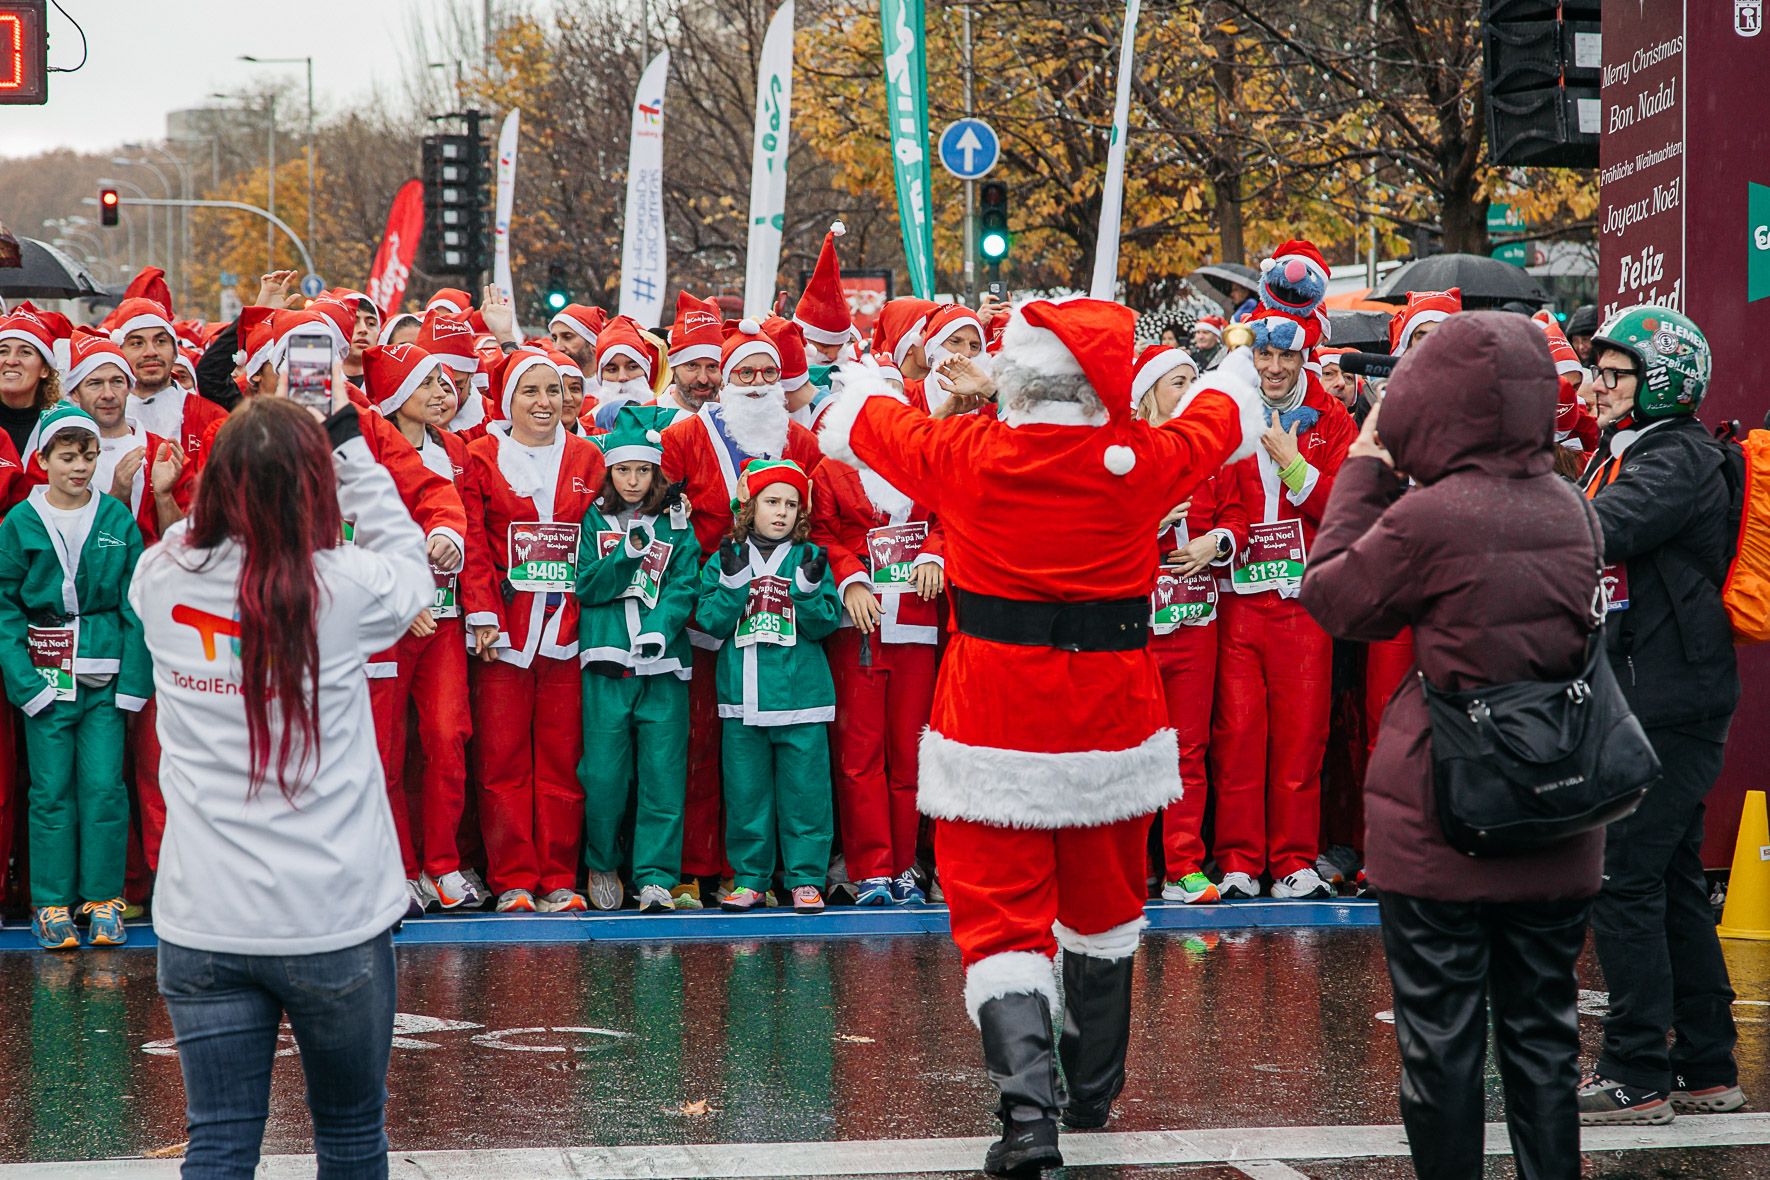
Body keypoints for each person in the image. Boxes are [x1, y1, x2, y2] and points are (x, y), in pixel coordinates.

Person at [818, 295, 1262, 1175]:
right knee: (1103, 911)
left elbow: (853, 415)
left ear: (1016, 379)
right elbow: (1228, 410)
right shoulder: (1141, 460)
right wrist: (1231, 352)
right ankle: (1093, 1089)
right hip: (1112, 717)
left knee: (999, 921)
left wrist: (976, 400)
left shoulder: (966, 452)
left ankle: (1030, 1120)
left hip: (992, 717)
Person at [1300, 310, 1606, 1180]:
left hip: (1442, 815)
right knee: (1543, 1039)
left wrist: (1366, 465)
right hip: (1557, 809)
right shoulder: (1574, 510)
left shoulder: (1431, 518)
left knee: (1442, 1047)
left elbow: (1335, 597)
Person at [131, 391, 430, 1179]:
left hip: (203, 919)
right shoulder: (344, 587)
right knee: (351, 1135)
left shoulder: (160, 576)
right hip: (331, 917)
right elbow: (413, 572)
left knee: (220, 1143)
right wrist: (353, 452)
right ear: (315, 487)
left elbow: (188, 542)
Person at [1577, 306, 1743, 1124]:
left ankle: (1637, 1070)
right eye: (1596, 370)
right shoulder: (1624, 453)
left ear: (1661, 382)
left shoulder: (1674, 457)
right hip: (1648, 696)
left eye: (1614, 373)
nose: (1595, 385)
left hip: (1669, 702)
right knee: (1672, 881)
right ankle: (1707, 1065)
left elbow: (1604, 529)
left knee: (1623, 878)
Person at [1211, 241, 1356, 901]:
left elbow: (1350, 506)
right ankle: (1240, 858)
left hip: (1304, 601)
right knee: (1239, 736)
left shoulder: (1331, 417)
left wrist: (1296, 467)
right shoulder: (1225, 409)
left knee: (1301, 737)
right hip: (1240, 598)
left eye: (1285, 355)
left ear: (1305, 354)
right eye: (1263, 355)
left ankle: (1293, 858)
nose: (1272, 367)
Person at [661, 320, 824, 906]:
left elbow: (820, 529)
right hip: (712, 607)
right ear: (725, 381)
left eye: (768, 373)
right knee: (708, 742)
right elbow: (659, 513)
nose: (757, 383)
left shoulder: (800, 442)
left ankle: (780, 871)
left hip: (784, 621)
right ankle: (701, 865)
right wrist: (690, 592)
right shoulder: (686, 435)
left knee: (785, 752)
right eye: (744, 373)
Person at [0, 405, 150, 950]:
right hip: (46, 680)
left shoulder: (115, 519)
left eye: (87, 456)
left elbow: (136, 603)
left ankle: (104, 899)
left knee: (106, 788)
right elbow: (5, 607)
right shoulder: (18, 523)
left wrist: (133, 681)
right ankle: (51, 902)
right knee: (50, 792)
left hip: (105, 679)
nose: (79, 467)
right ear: (42, 460)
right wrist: (26, 685)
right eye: (66, 457)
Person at [461, 348, 603, 913]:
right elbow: (471, 541)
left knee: (563, 759)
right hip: (505, 633)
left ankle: (559, 876)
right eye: (530, 392)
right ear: (508, 399)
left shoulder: (589, 457)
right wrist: (483, 615)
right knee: (503, 760)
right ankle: (515, 878)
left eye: (554, 391)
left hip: (568, 633)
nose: (545, 403)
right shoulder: (480, 457)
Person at [360, 341, 486, 912]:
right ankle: (400, 864)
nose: (444, 393)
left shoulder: (457, 451)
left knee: (447, 737)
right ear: (394, 396)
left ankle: (442, 862)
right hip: (385, 622)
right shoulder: (364, 450)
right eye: (427, 384)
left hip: (446, 620)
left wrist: (481, 610)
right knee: (387, 748)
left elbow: (475, 535)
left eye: (445, 382)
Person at [696, 458, 842, 913]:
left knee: (807, 795)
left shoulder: (811, 557)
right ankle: (751, 878)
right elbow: (708, 625)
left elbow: (825, 626)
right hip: (743, 698)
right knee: (746, 793)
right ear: (749, 505)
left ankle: (805, 879)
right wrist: (734, 585)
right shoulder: (726, 556)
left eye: (791, 504)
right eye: (771, 501)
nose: (781, 512)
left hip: (803, 701)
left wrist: (807, 592)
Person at [574, 406, 702, 913]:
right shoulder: (592, 519)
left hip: (664, 665)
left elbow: (684, 583)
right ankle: (603, 861)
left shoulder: (674, 521)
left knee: (662, 772)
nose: (632, 480)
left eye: (642, 470)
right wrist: (626, 554)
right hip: (606, 662)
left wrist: (659, 631)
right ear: (609, 471)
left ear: (656, 472)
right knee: (604, 774)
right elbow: (588, 585)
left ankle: (654, 875)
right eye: (623, 469)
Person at [811, 420, 945, 906]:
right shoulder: (831, 469)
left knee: (910, 752)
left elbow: (946, 520)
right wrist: (849, 578)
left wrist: (935, 555)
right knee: (859, 754)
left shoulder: (922, 464)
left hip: (914, 619)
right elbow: (821, 534)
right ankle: (870, 866)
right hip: (859, 625)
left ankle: (905, 863)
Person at [1129, 345, 1236, 905]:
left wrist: (1215, 542)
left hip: (1196, 623)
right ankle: (1130, 865)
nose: (1189, 391)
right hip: (1138, 626)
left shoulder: (1207, 454)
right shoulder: (1124, 453)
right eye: (1177, 382)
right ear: (1148, 392)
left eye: (1194, 380)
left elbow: (1236, 513)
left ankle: (1184, 866)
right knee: (1134, 748)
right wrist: (1145, 522)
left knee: (1188, 749)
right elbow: (1094, 527)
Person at [548, 302, 605, 373]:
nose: (558, 348)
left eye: (567, 337)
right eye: (555, 339)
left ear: (593, 344)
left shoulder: (613, 382)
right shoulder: (551, 382)